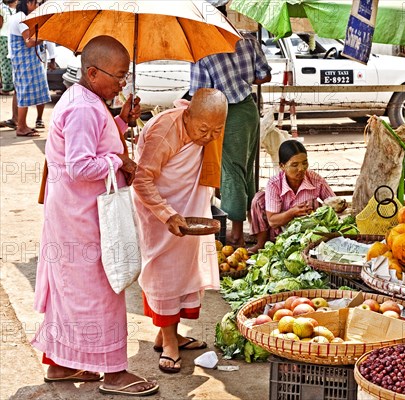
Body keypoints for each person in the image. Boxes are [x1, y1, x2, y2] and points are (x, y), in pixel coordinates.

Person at [31, 35, 159, 396]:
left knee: (73, 292)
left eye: (126, 76)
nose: (123, 83)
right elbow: (80, 165)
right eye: (118, 76)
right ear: (92, 72)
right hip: (81, 217)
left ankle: (61, 364)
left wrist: (119, 120)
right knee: (100, 290)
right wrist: (120, 160)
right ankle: (114, 372)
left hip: (74, 212)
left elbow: (95, 142)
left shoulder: (88, 100)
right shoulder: (86, 107)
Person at [132, 89, 227, 374]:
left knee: (186, 270)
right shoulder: (166, 131)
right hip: (158, 210)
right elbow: (141, 179)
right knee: (165, 274)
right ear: (187, 115)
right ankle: (170, 344)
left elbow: (206, 150)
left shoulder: (203, 127)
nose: (210, 137)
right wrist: (167, 214)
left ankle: (167, 335)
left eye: (217, 130)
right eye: (204, 129)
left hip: (188, 211)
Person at [189, 7, 271, 248]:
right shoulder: (247, 38)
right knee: (245, 168)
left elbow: (200, 93)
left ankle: (235, 233)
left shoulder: (203, 50)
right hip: (248, 109)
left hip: (226, 112)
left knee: (231, 171)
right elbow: (264, 75)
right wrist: (240, 80)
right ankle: (253, 227)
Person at [248, 140, 336, 253]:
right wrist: (292, 212)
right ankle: (261, 244)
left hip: (307, 233)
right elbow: (272, 221)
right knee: (259, 199)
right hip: (277, 231)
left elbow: (333, 203)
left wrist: (329, 206)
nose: (301, 168)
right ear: (282, 166)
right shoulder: (274, 184)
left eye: (305, 163)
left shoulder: (315, 180)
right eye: (295, 165)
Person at [7, 0, 50, 136]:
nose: (37, 6)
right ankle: (21, 127)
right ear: (28, 3)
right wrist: (45, 36)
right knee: (24, 93)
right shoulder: (22, 18)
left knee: (22, 91)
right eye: (35, 3)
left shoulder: (18, 16)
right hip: (25, 62)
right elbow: (29, 43)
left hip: (22, 61)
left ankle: (23, 125)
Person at [0, 0, 16, 96]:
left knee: (4, 63)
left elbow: (0, 24)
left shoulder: (1, 8)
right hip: (9, 37)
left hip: (2, 37)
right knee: (7, 62)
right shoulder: (13, 9)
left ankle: (6, 88)